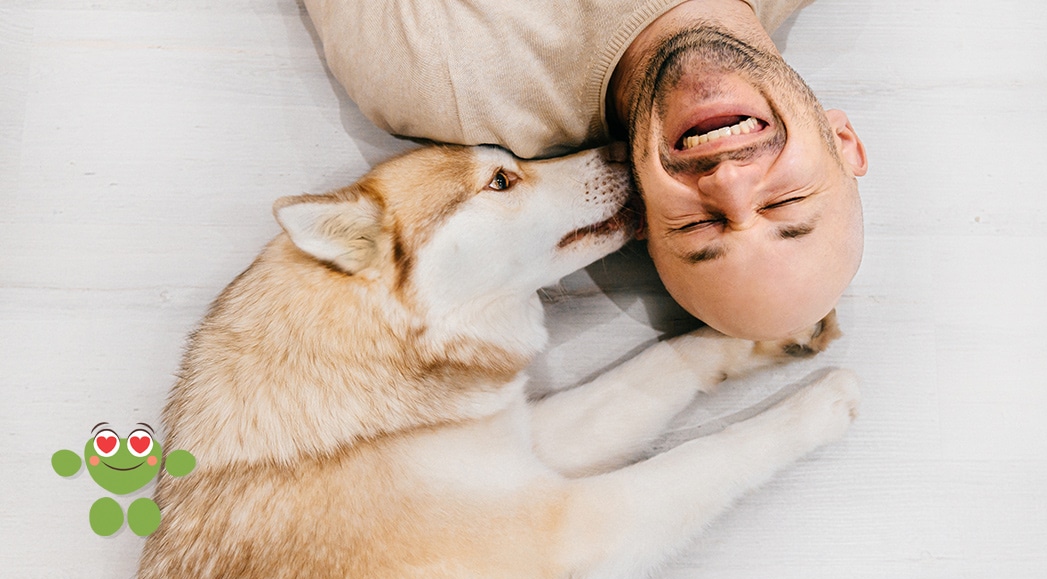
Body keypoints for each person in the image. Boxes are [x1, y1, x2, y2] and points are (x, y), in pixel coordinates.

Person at [301, 0, 868, 341]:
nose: (729, 181)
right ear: (843, 142)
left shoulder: (442, 77)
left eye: (701, 226)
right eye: (785, 203)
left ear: (639, 208)